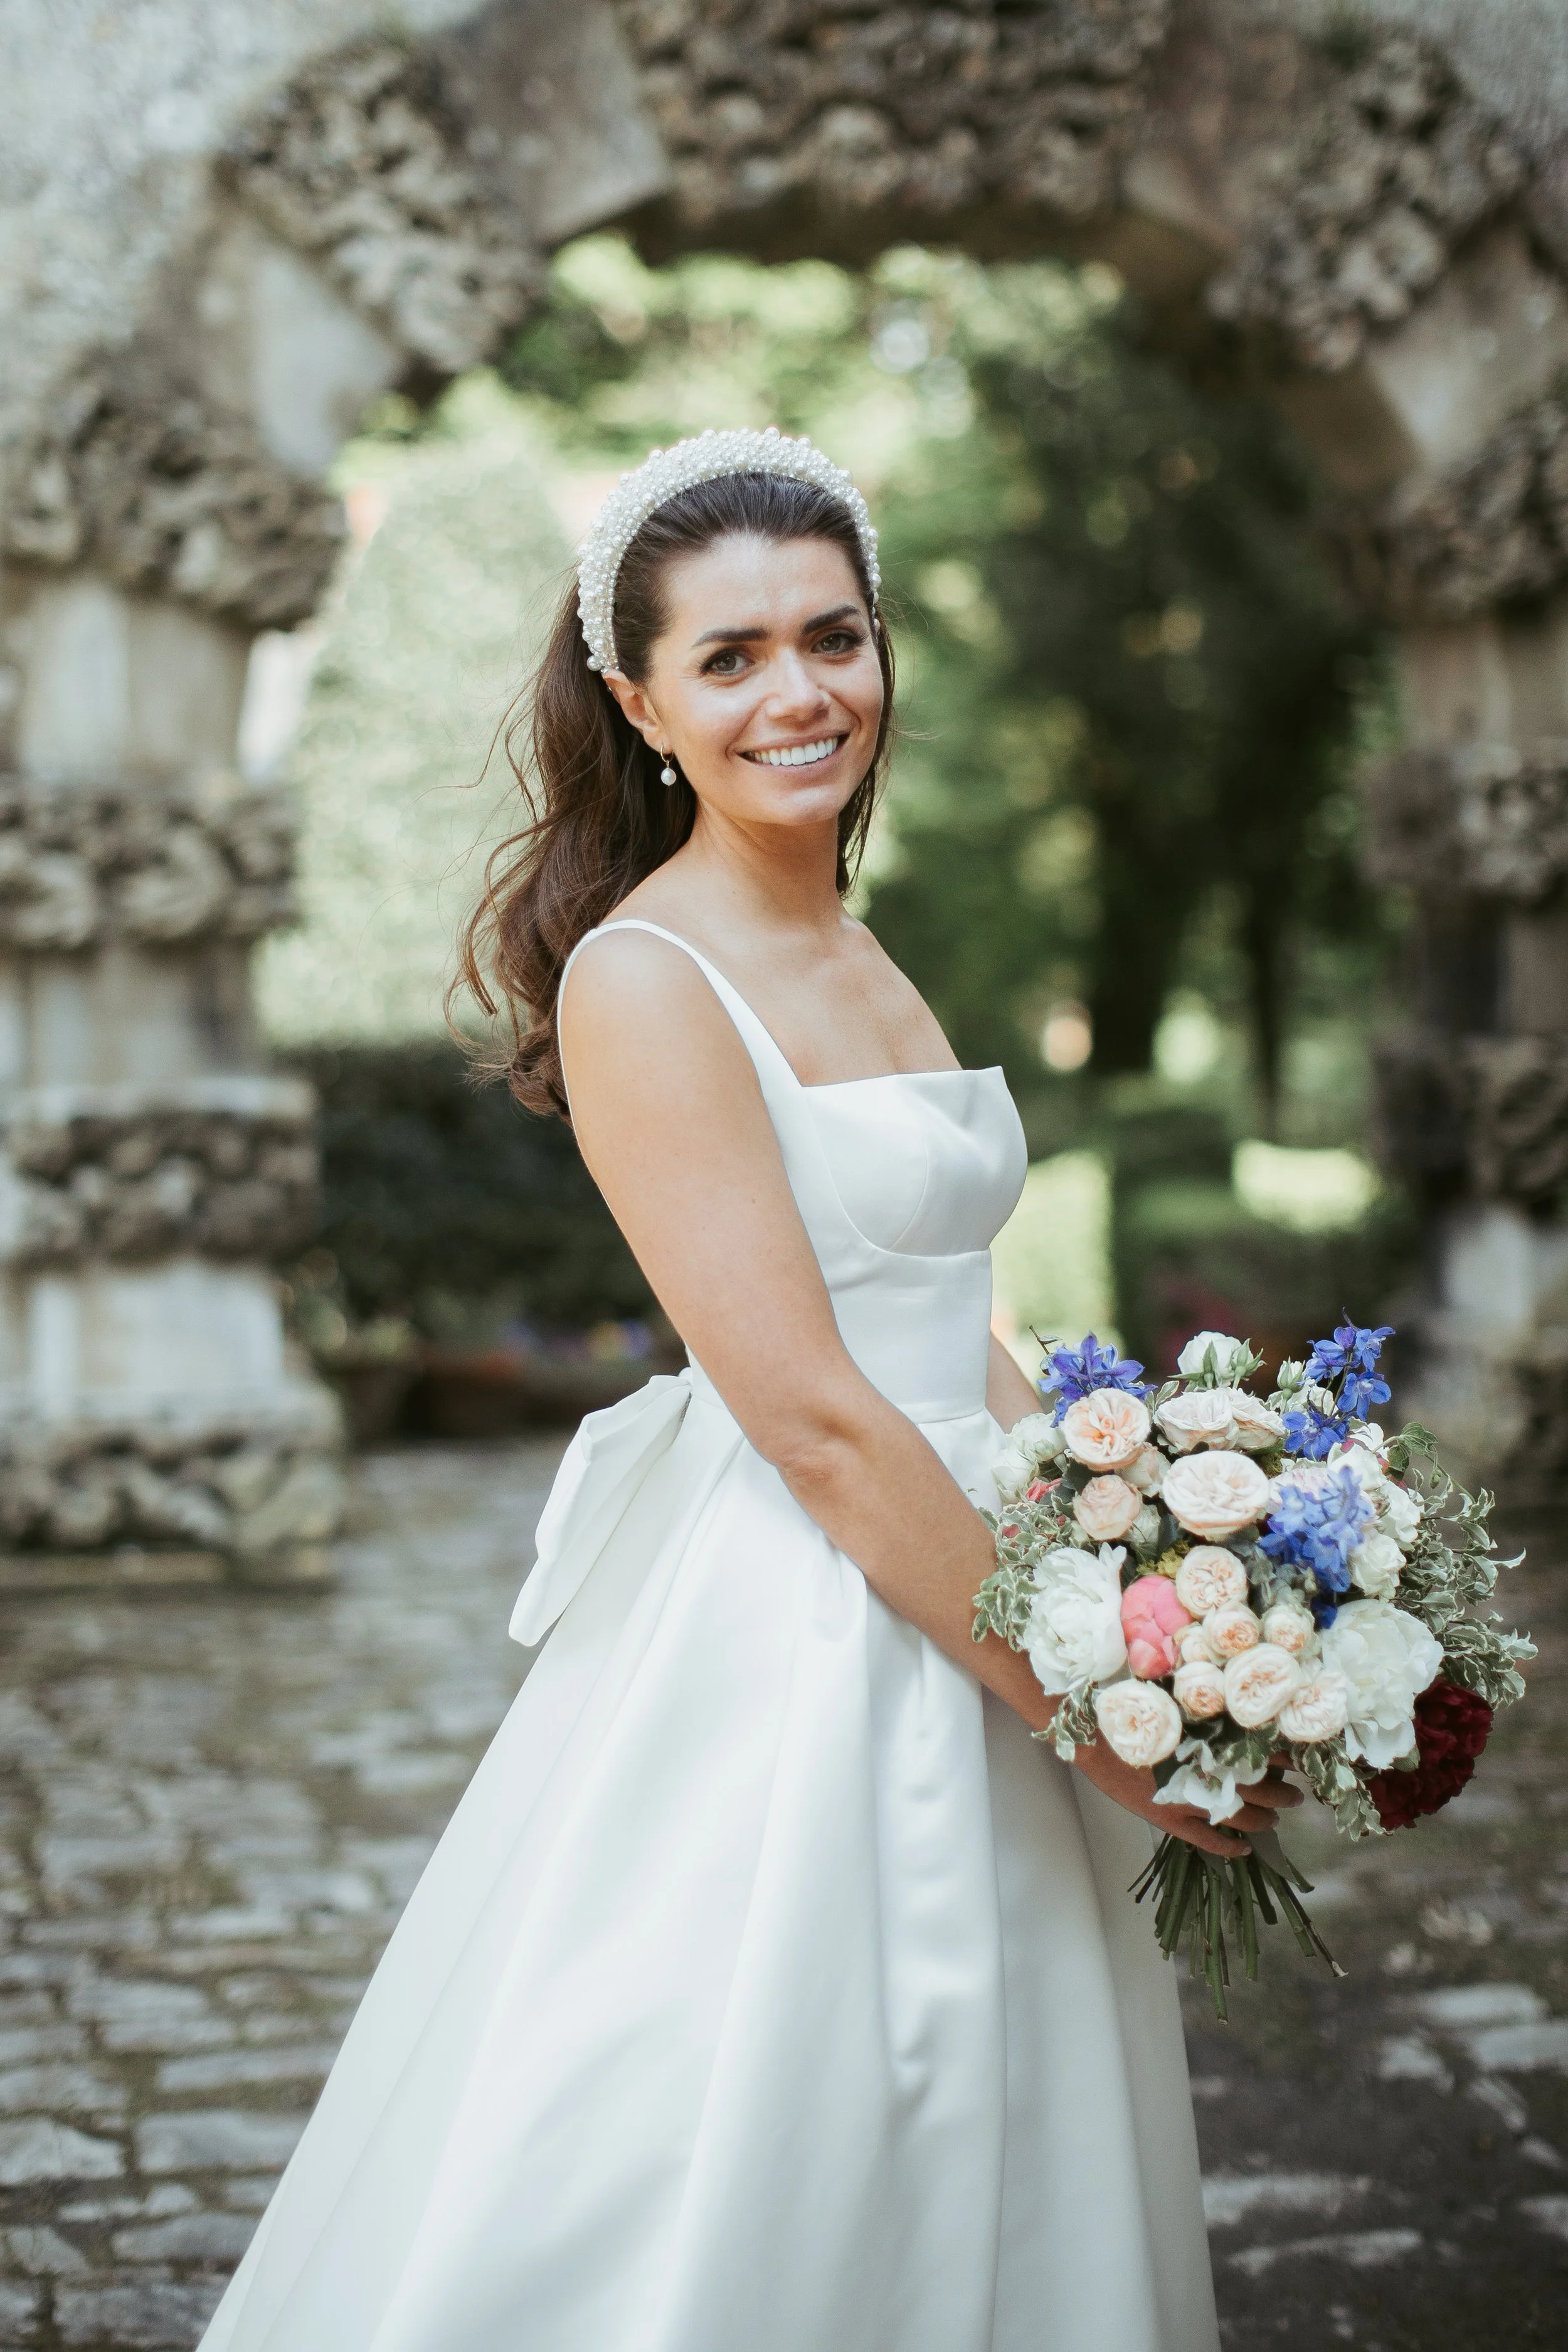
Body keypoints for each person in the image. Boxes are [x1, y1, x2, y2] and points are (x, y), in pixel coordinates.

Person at [199, 427, 1300, 2352]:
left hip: (987, 1556)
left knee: (1010, 2108)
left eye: (834, 635)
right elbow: (806, 1410)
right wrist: (1095, 1725)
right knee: (787, 2104)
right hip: (818, 1602)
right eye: (729, 657)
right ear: (638, 703)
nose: (799, 691)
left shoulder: (861, 949)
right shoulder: (646, 980)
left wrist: (1165, 1570)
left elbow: (946, 1306)